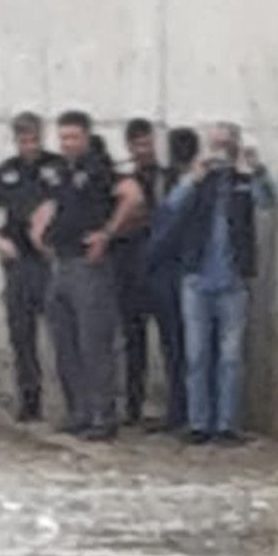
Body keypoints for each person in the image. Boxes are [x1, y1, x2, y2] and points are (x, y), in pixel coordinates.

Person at [32, 109, 140, 442]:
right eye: (63, 137)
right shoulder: (63, 171)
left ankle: (102, 415)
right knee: (65, 342)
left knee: (94, 343)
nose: (67, 143)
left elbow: (133, 196)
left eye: (73, 137)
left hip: (88, 264)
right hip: (61, 262)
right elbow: (51, 206)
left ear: (87, 136)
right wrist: (41, 235)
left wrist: (107, 233)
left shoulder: (99, 167)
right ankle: (78, 411)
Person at [174, 123, 277, 446]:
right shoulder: (199, 182)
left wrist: (255, 169)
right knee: (197, 354)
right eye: (215, 145)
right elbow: (172, 206)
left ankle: (226, 424)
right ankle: (199, 422)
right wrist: (195, 176)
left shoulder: (243, 182)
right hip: (196, 278)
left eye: (226, 145)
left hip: (232, 280)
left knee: (230, 356)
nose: (220, 152)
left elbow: (268, 202)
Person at [0, 110, 63, 424]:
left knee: (60, 332)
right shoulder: (6, 172)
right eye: (23, 139)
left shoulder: (56, 167)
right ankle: (29, 399)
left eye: (33, 138)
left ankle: (68, 399)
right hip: (18, 261)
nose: (29, 145)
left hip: (50, 259)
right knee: (21, 334)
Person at [143, 126, 201, 433]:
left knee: (184, 345)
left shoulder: (194, 183)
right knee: (171, 343)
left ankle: (187, 409)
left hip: (178, 267)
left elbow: (169, 225)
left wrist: (150, 255)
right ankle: (178, 407)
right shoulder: (165, 179)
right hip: (164, 271)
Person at [112, 117, 167, 426]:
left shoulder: (166, 177)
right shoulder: (124, 181)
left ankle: (174, 407)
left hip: (162, 268)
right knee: (132, 340)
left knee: (172, 340)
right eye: (138, 145)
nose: (144, 150)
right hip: (131, 268)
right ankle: (133, 404)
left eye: (148, 143)